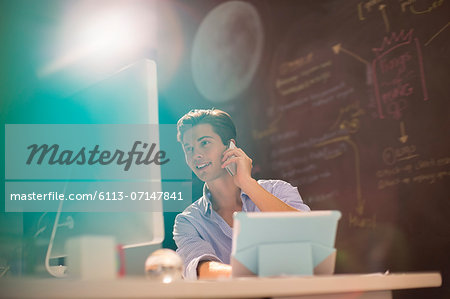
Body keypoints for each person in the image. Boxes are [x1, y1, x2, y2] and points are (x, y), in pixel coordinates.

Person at [173, 109, 310, 280]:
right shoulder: (188, 221)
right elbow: (201, 269)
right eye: (189, 148)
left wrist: (247, 183)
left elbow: (307, 234)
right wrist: (253, 280)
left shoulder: (278, 190)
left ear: (229, 145)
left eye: (205, 143)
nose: (196, 155)